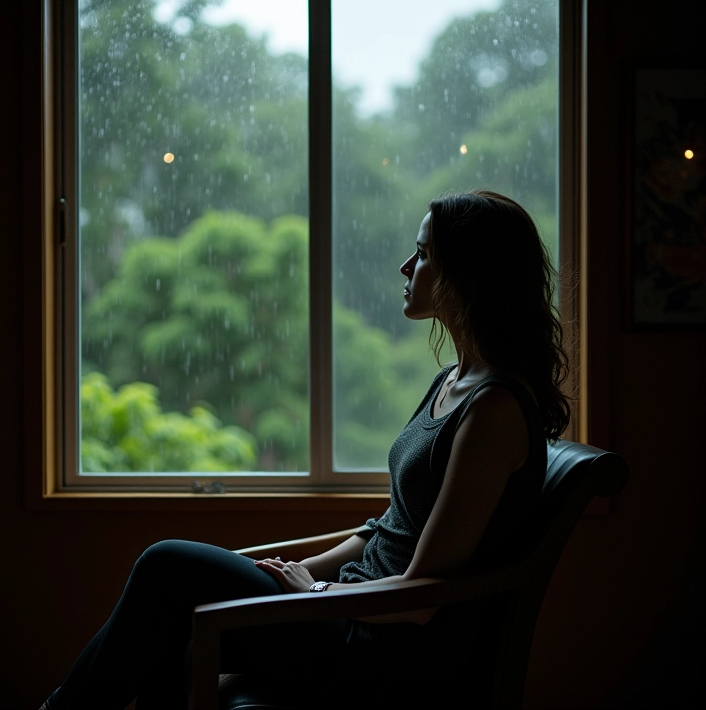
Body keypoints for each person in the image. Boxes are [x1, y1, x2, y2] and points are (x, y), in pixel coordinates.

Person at [39, 189, 571, 710]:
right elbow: (390, 528)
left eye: (426, 254)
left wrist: (312, 593)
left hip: (380, 651)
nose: (406, 267)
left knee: (166, 565)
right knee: (171, 606)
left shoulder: (493, 411)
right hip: (348, 611)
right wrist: (302, 569)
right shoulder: (452, 381)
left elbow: (423, 599)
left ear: (471, 275)